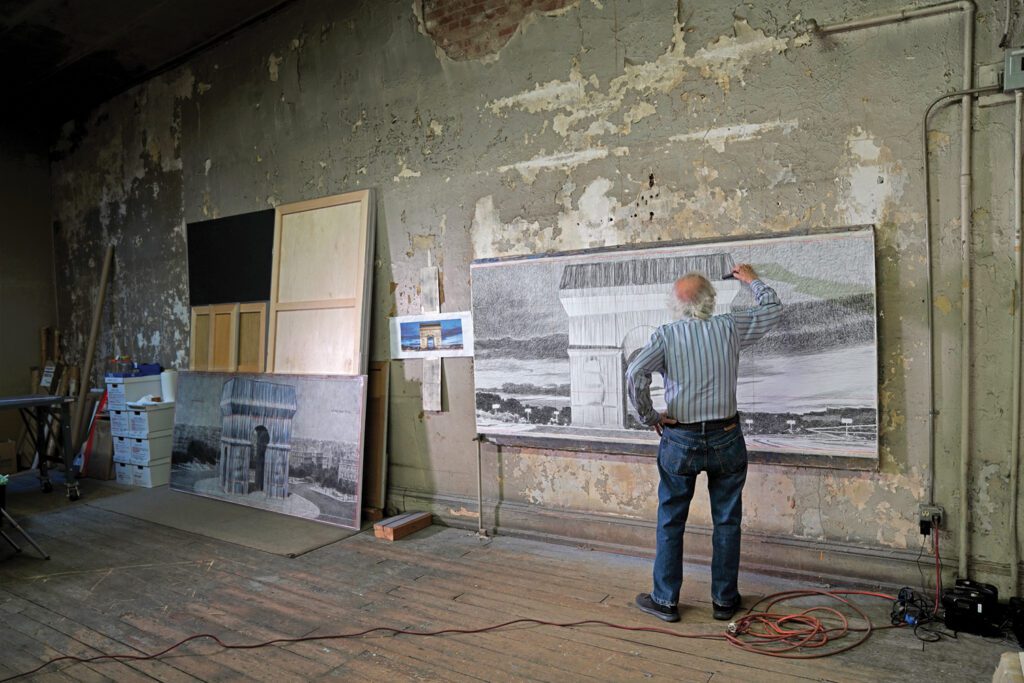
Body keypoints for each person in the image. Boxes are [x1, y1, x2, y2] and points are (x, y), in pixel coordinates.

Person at [625, 264, 782, 622]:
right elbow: (772, 310)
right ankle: (724, 601)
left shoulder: (665, 336)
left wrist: (650, 417)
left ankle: (665, 601)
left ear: (676, 305)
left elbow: (635, 372)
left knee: (671, 520)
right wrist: (752, 280)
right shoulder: (729, 327)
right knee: (726, 521)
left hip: (681, 439)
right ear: (710, 300)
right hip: (727, 437)